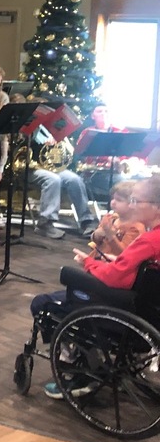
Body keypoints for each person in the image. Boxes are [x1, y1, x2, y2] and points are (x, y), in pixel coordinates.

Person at [29, 175, 160, 398]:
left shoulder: (150, 240)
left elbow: (114, 278)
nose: (132, 205)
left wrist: (88, 263)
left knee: (43, 303)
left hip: (126, 311)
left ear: (156, 206)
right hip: (148, 310)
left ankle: (81, 369)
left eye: (137, 201)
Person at [30, 128, 97, 240]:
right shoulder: (29, 124)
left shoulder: (50, 127)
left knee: (75, 180)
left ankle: (86, 220)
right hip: (32, 167)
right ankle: (45, 223)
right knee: (53, 179)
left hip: (52, 167)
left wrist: (57, 138)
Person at [89, 180, 143, 258]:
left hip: (112, 265)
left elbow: (123, 254)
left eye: (119, 200)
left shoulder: (135, 228)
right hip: (96, 259)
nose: (113, 202)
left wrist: (110, 235)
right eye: (113, 198)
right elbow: (96, 241)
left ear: (133, 204)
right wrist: (97, 234)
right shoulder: (111, 218)